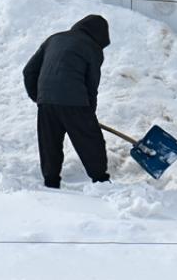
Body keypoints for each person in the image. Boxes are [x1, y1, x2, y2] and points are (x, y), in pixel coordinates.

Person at [22, 14, 112, 188]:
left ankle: (51, 181)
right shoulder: (92, 48)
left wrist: (40, 97)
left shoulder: (54, 39)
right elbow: (91, 84)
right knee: (90, 140)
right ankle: (101, 181)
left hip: (46, 101)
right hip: (75, 101)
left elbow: (29, 71)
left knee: (50, 141)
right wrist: (89, 114)